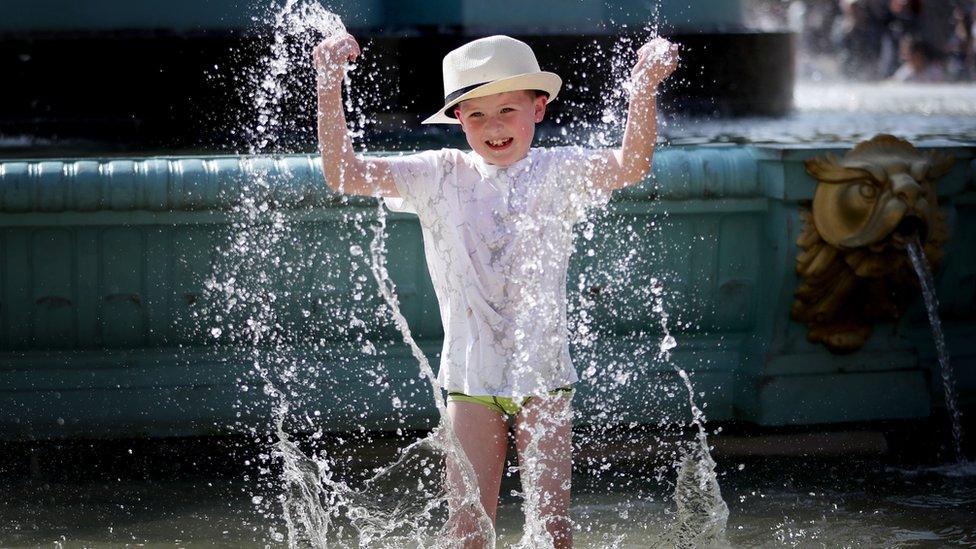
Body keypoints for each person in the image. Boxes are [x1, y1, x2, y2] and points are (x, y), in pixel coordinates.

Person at [312, 33, 678, 548]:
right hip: (470, 381)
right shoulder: (438, 173)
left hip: (544, 378)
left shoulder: (559, 170)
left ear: (539, 108)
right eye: (477, 115)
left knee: (552, 532)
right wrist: (329, 83)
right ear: (458, 120)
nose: (495, 126)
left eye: (507, 108)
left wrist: (643, 86)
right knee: (466, 533)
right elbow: (343, 173)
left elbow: (631, 164)